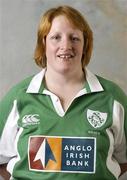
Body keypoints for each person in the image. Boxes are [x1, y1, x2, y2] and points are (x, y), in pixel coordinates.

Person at [0, 5, 127, 180]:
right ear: (43, 43)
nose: (65, 45)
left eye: (74, 38)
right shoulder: (17, 98)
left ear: (85, 44)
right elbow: (3, 162)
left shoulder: (113, 98)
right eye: (56, 37)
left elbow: (123, 160)